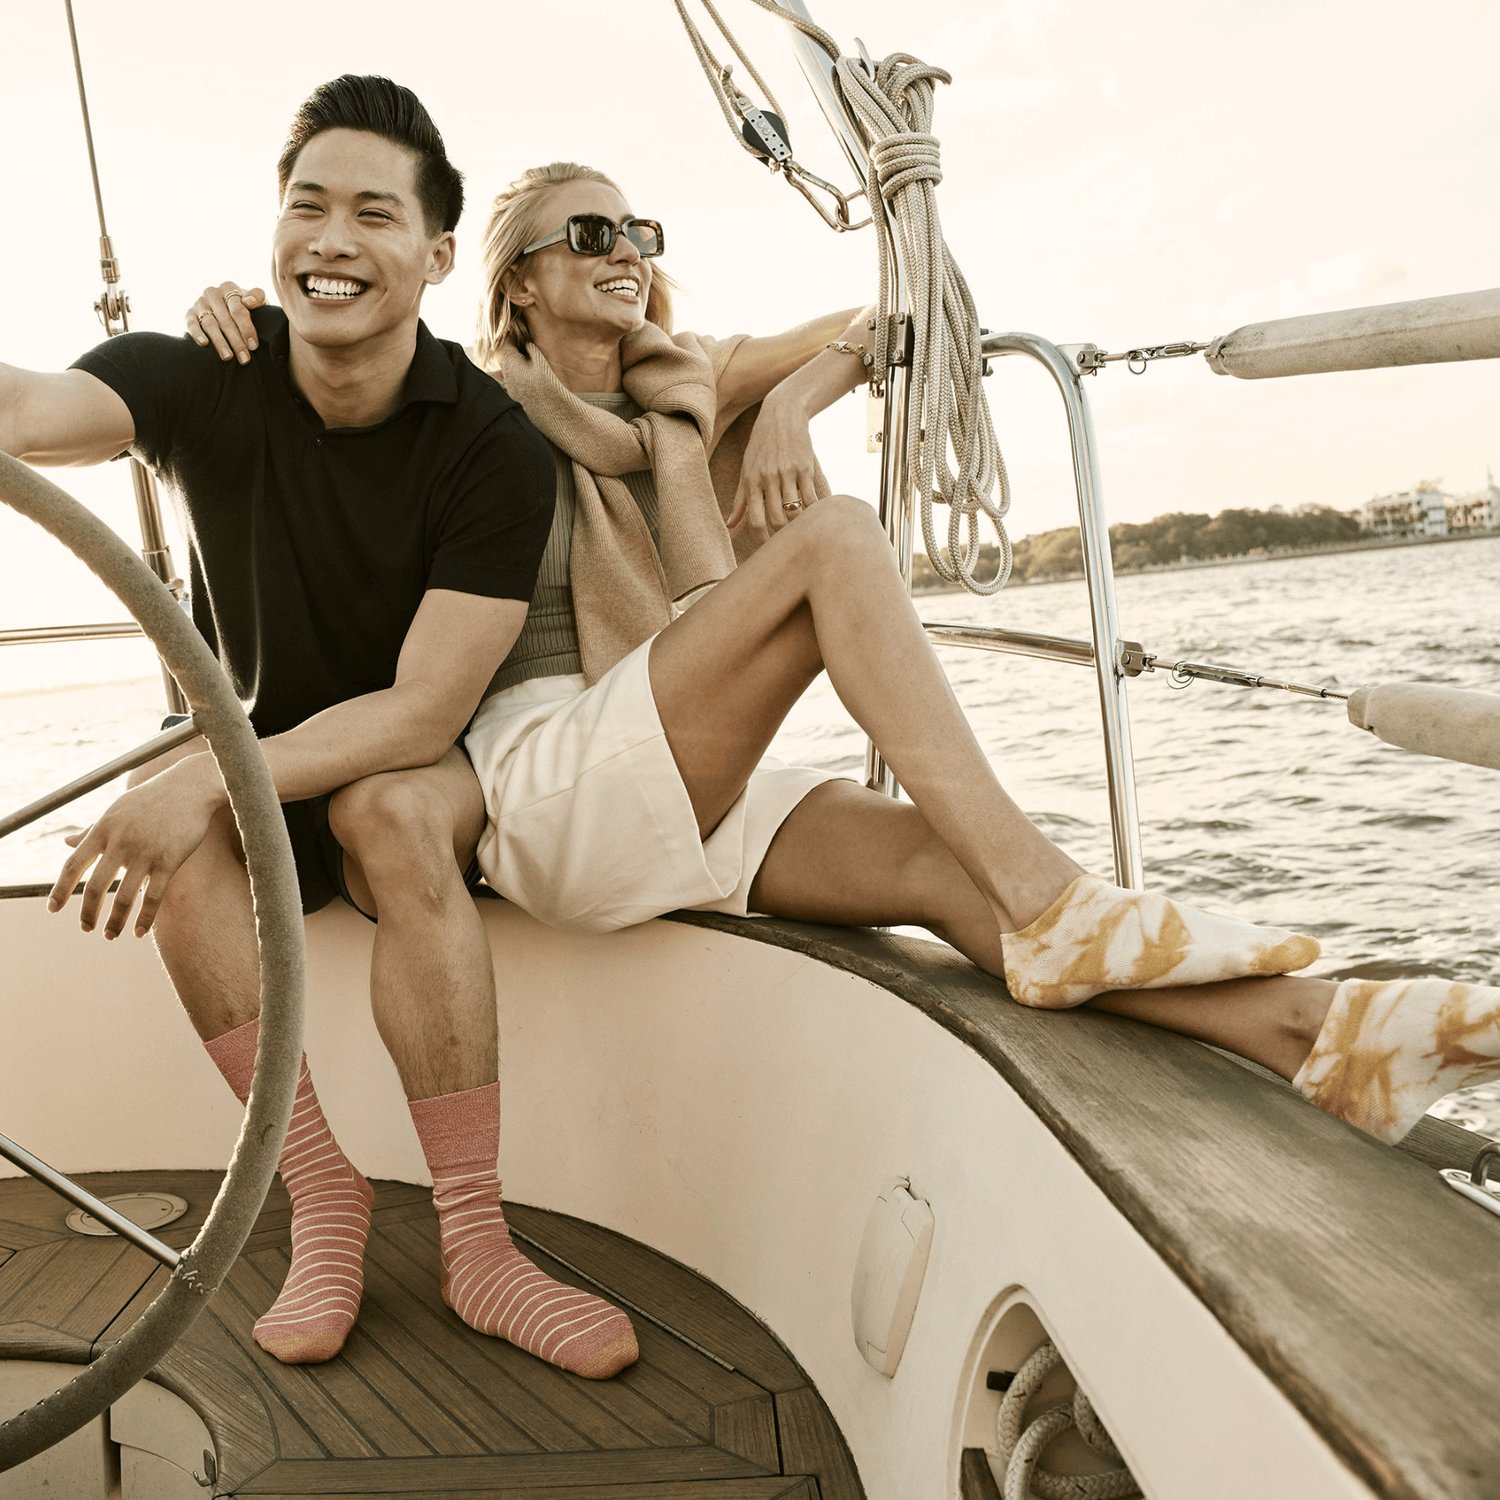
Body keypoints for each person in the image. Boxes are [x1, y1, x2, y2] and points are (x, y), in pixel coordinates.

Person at [188, 160, 1500, 1152]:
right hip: (548, 775)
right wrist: (225, 324)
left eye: (641, 233)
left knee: (933, 865)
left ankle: (1318, 1041)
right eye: (588, 235)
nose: (626, 252)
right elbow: (324, 369)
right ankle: (1053, 900)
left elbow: (889, 316)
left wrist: (783, 409)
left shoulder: (686, 381)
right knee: (838, 546)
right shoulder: (465, 407)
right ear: (515, 278)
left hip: (672, 756)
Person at [2, 89, 638, 1380]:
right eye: (307, 205)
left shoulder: (492, 448)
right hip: (254, 759)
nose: (331, 238)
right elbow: (22, 416)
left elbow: (423, 713)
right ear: (275, 231)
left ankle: (478, 1244)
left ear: (437, 256)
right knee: (185, 851)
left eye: (372, 212)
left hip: (393, 765)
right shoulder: (201, 376)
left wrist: (210, 778)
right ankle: (321, 1192)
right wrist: (210, 786)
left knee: (388, 813)